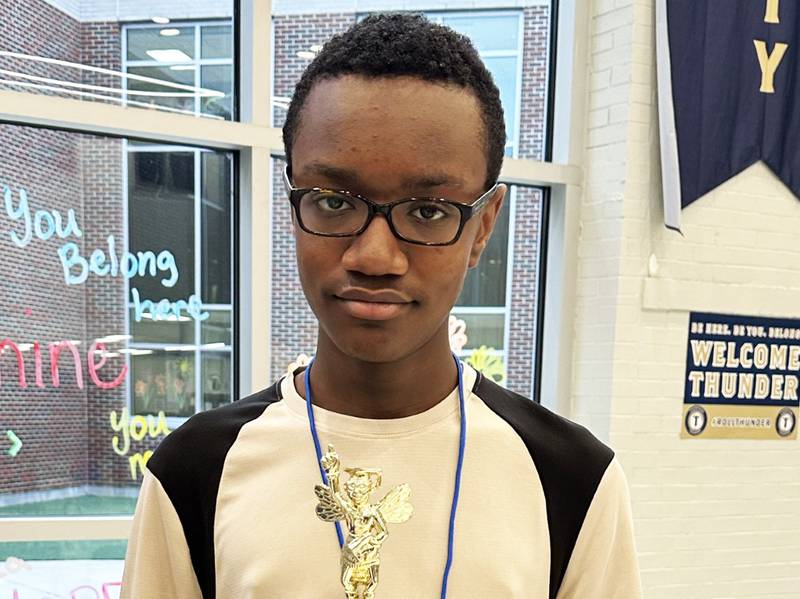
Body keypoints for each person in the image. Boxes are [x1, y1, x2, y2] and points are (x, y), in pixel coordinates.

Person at [121, 13, 642, 599]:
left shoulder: (570, 480)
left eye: (427, 211)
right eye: (333, 202)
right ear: (293, 201)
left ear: (482, 229)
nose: (374, 256)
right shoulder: (197, 470)